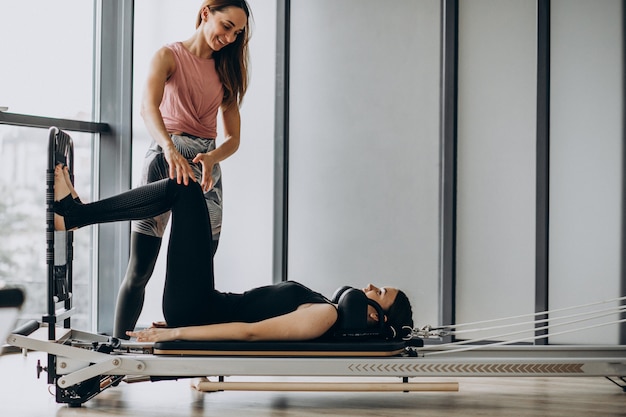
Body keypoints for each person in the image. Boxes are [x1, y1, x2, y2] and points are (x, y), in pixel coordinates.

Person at [53, 165, 414, 343]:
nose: (370, 284)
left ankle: (75, 215)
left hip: (197, 309)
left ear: (371, 317)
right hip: (199, 307)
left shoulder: (324, 316)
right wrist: (183, 323)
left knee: (183, 188)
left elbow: (250, 333)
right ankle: (75, 214)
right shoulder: (323, 307)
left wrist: (177, 334)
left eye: (379, 292)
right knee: (183, 188)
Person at [115, 0, 252, 339]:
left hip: (205, 169)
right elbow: (148, 109)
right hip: (166, 158)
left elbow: (233, 138)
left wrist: (212, 158)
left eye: (237, 33)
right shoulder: (168, 56)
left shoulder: (226, 70)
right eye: (227, 27)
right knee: (140, 268)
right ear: (207, 12)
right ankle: (116, 350)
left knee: (198, 280)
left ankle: (191, 354)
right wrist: (169, 148)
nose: (231, 37)